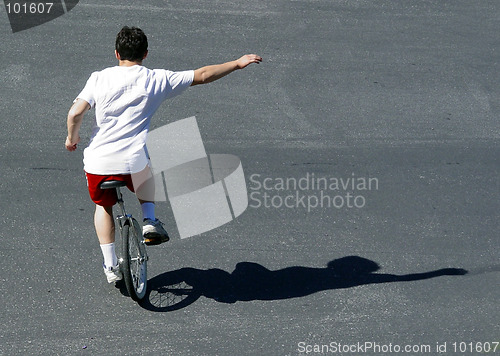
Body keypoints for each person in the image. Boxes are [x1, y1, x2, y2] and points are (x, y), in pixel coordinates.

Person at [65, 26, 262, 283]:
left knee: (103, 206)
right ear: (145, 54)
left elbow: (75, 114)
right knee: (147, 166)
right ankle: (149, 220)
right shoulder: (157, 78)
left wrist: (72, 138)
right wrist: (237, 63)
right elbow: (202, 75)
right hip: (132, 161)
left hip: (98, 162)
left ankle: (111, 266)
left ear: (116, 53)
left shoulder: (98, 78)